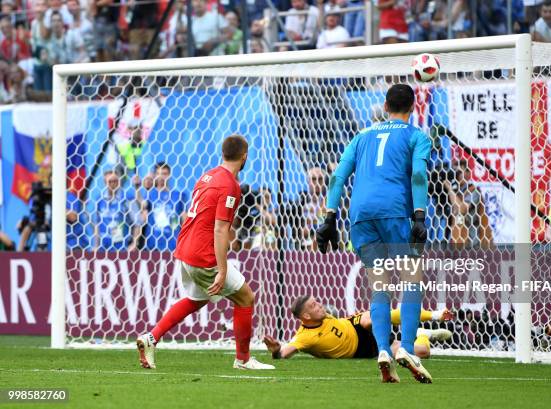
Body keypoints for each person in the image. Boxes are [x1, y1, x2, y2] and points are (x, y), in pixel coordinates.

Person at [316, 84, 432, 383]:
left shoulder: (361, 135)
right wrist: (419, 215)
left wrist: (329, 217)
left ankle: (383, 350)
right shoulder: (417, 136)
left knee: (379, 286)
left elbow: (338, 175)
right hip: (394, 211)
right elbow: (418, 174)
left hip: (360, 216)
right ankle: (406, 348)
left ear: (385, 105)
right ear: (413, 106)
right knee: (411, 278)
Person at [137, 135, 274, 370]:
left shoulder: (207, 176)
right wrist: (222, 270)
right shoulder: (230, 185)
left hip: (185, 248)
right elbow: (221, 229)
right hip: (202, 254)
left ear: (223, 154)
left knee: (196, 299)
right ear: (244, 156)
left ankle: (151, 338)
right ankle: (243, 359)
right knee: (246, 298)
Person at [263, 295, 453, 360]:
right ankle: (421, 334)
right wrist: (276, 350)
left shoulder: (323, 316)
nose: (319, 305)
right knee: (421, 352)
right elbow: (284, 353)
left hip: (355, 325)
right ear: (305, 317)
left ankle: (435, 315)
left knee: (371, 319)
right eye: (313, 306)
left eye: (317, 302)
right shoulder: (305, 337)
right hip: (363, 349)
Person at [444, 159, 493, 247]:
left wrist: (450, 189)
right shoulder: (456, 193)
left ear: (468, 173)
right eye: (455, 172)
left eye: (459, 172)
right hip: (459, 242)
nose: (456, 175)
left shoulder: (474, 191)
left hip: (474, 243)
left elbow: (462, 209)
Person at [141, 162, 187, 251]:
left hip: (173, 244)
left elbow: (185, 220)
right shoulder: (149, 194)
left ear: (169, 175)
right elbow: (142, 218)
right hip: (153, 245)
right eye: (158, 174)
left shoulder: (179, 195)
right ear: (155, 175)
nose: (161, 177)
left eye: (164, 174)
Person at [93, 169, 142, 251]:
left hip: (121, 247)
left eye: (115, 181)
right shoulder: (100, 199)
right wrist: (96, 246)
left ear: (119, 181)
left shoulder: (127, 198)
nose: (113, 184)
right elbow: (98, 224)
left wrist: (134, 243)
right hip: (103, 247)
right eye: (110, 181)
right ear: (105, 182)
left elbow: (138, 222)